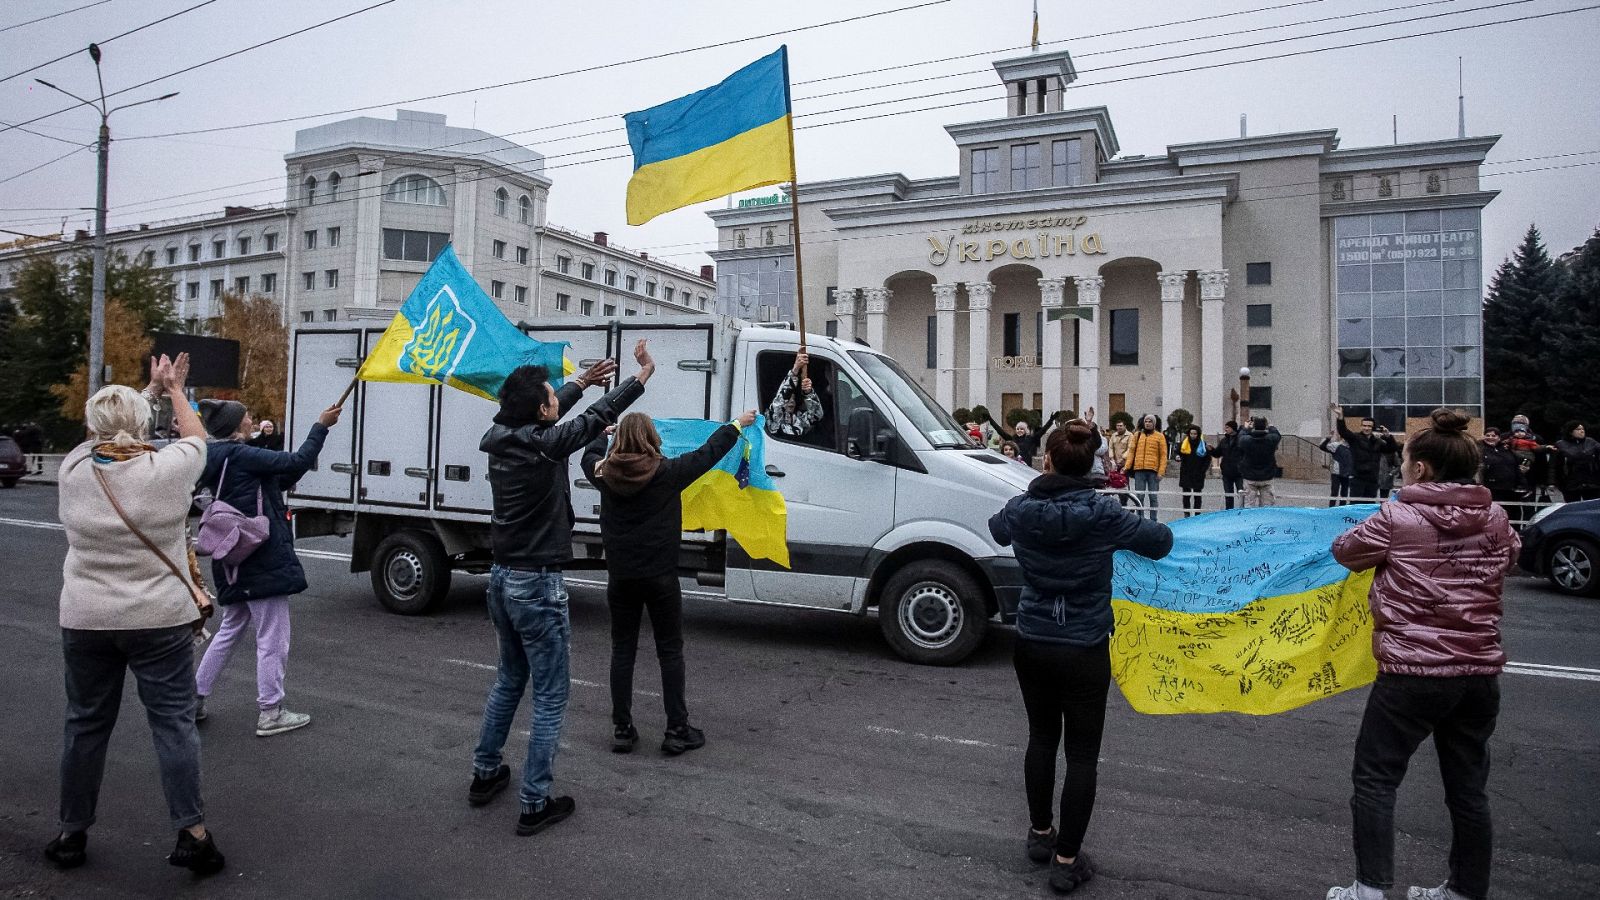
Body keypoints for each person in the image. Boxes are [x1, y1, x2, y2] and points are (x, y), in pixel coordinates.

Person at [1326, 409, 1519, 900]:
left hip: (1413, 671)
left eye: (1405, 461)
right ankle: (1464, 891)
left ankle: (1369, 891)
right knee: (1468, 789)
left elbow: (1345, 551)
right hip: (1478, 672)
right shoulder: (1496, 517)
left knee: (1375, 778)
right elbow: (1511, 557)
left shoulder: (1397, 517)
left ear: (1420, 470)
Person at [50, 354, 226, 875]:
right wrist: (173, 389)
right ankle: (192, 834)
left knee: (84, 726)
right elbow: (197, 438)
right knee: (172, 726)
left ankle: (70, 833)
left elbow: (106, 429)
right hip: (158, 620)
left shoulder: (74, 469)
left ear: (91, 427)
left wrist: (146, 392)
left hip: (85, 619)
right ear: (146, 426)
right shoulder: (167, 471)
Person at [468, 342, 651, 837]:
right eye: (551, 396)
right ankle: (534, 801)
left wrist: (583, 382)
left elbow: (557, 414)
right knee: (550, 695)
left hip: (503, 577)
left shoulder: (505, 434)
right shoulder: (544, 442)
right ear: (540, 411)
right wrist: (638, 380)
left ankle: (485, 775)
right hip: (536, 582)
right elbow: (590, 423)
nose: (556, 399)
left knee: (508, 680)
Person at [988, 420, 1173, 895]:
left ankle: (1040, 834)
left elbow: (997, 530)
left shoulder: (1020, 509)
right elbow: (1160, 542)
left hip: (1032, 640)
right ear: (1093, 463)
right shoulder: (1104, 514)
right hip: (1085, 645)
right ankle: (1066, 860)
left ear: (1046, 459)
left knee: (1041, 738)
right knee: (1083, 755)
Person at [581, 407, 757, 755]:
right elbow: (707, 454)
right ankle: (676, 729)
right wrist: (736, 425)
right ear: (652, 439)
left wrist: (601, 436)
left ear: (621, 439)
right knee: (670, 652)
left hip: (621, 579)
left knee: (622, 651)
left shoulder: (603, 474)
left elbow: (588, 456)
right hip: (661, 578)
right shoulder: (667, 472)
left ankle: (622, 729)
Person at [192, 394, 343, 737]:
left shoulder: (209, 457)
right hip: (259, 554)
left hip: (231, 555)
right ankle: (271, 711)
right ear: (234, 426)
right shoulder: (242, 454)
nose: (250, 421)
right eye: (245, 417)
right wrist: (321, 427)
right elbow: (297, 460)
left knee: (231, 629)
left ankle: (195, 697)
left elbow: (272, 480)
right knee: (273, 637)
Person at [1334, 406, 1400, 500]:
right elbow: (1343, 432)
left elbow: (1391, 449)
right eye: (1364, 425)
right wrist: (1340, 417)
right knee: (1356, 505)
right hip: (1357, 478)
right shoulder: (1355, 438)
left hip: (1372, 479)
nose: (1366, 428)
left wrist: (1388, 436)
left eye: (1369, 426)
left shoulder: (1377, 441)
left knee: (1369, 505)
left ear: (1372, 427)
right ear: (1361, 426)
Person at [1478, 427, 1530, 526]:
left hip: (1510, 489)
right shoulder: (1479, 450)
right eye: (1487, 435)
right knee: (1494, 515)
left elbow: (1516, 466)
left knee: (1513, 515)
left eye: (1494, 436)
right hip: (1491, 489)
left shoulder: (1507, 450)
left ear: (1499, 437)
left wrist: (1522, 483)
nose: (1490, 438)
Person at [765, 350, 823, 438]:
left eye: (793, 399)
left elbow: (817, 415)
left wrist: (808, 392)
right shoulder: (772, 418)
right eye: (789, 399)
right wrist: (795, 370)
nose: (791, 401)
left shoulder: (799, 419)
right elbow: (779, 403)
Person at [1123, 414, 1167, 521]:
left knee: (1153, 497)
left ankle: (1153, 519)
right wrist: (1127, 467)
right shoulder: (1137, 435)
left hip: (1153, 471)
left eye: (1150, 421)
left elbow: (1163, 455)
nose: (1147, 423)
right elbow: (1132, 452)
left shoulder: (1160, 436)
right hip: (1139, 470)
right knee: (1139, 497)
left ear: (1154, 424)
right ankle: (1140, 519)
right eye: (1146, 421)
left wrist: (1161, 472)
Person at [1236, 416, 1281, 508]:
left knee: (1249, 505)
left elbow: (1240, 437)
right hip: (1267, 476)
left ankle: (1249, 521)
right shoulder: (1271, 439)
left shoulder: (1246, 440)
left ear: (1254, 426)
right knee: (1267, 506)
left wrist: (1246, 428)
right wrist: (1271, 426)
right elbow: (1277, 435)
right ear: (1265, 426)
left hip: (1250, 476)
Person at [1552, 421, 1600, 502]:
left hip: (1592, 483)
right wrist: (1552, 482)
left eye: (1583, 429)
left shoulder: (1591, 442)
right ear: (1570, 432)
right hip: (1570, 483)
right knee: (1572, 509)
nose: (1582, 431)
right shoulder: (1561, 444)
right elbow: (1553, 465)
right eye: (1578, 429)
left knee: (1591, 510)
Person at [1175, 425, 1210, 517]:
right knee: (1186, 495)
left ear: (1198, 434)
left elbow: (1207, 459)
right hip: (1186, 472)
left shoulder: (1202, 444)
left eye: (1195, 433)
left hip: (1198, 473)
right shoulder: (1184, 443)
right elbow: (1178, 453)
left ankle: (1197, 514)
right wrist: (1178, 457)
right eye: (1191, 433)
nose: (1193, 435)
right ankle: (1187, 513)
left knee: (1197, 495)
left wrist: (1203, 471)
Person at [1214, 421, 1243, 510]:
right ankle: (1229, 512)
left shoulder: (1241, 439)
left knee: (1242, 495)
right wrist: (1211, 450)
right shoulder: (1224, 440)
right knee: (1228, 495)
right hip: (1227, 472)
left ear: (1232, 428)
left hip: (1239, 472)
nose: (1225, 429)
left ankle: (1243, 512)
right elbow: (1218, 453)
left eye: (1227, 427)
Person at [1321, 433, 1355, 506]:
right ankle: (1332, 508)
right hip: (1336, 472)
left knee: (1344, 492)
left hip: (1347, 473)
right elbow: (1322, 447)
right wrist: (1327, 439)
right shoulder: (1336, 445)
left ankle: (1342, 508)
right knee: (1334, 492)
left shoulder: (1352, 447)